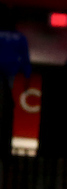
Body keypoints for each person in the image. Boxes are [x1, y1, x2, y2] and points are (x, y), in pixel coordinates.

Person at [0, 8, 30, 160]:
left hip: (8, 75)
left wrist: (26, 75)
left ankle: (4, 146)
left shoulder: (19, 37)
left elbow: (25, 59)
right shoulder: (20, 37)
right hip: (9, 74)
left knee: (6, 107)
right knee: (6, 107)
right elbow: (25, 59)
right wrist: (26, 77)